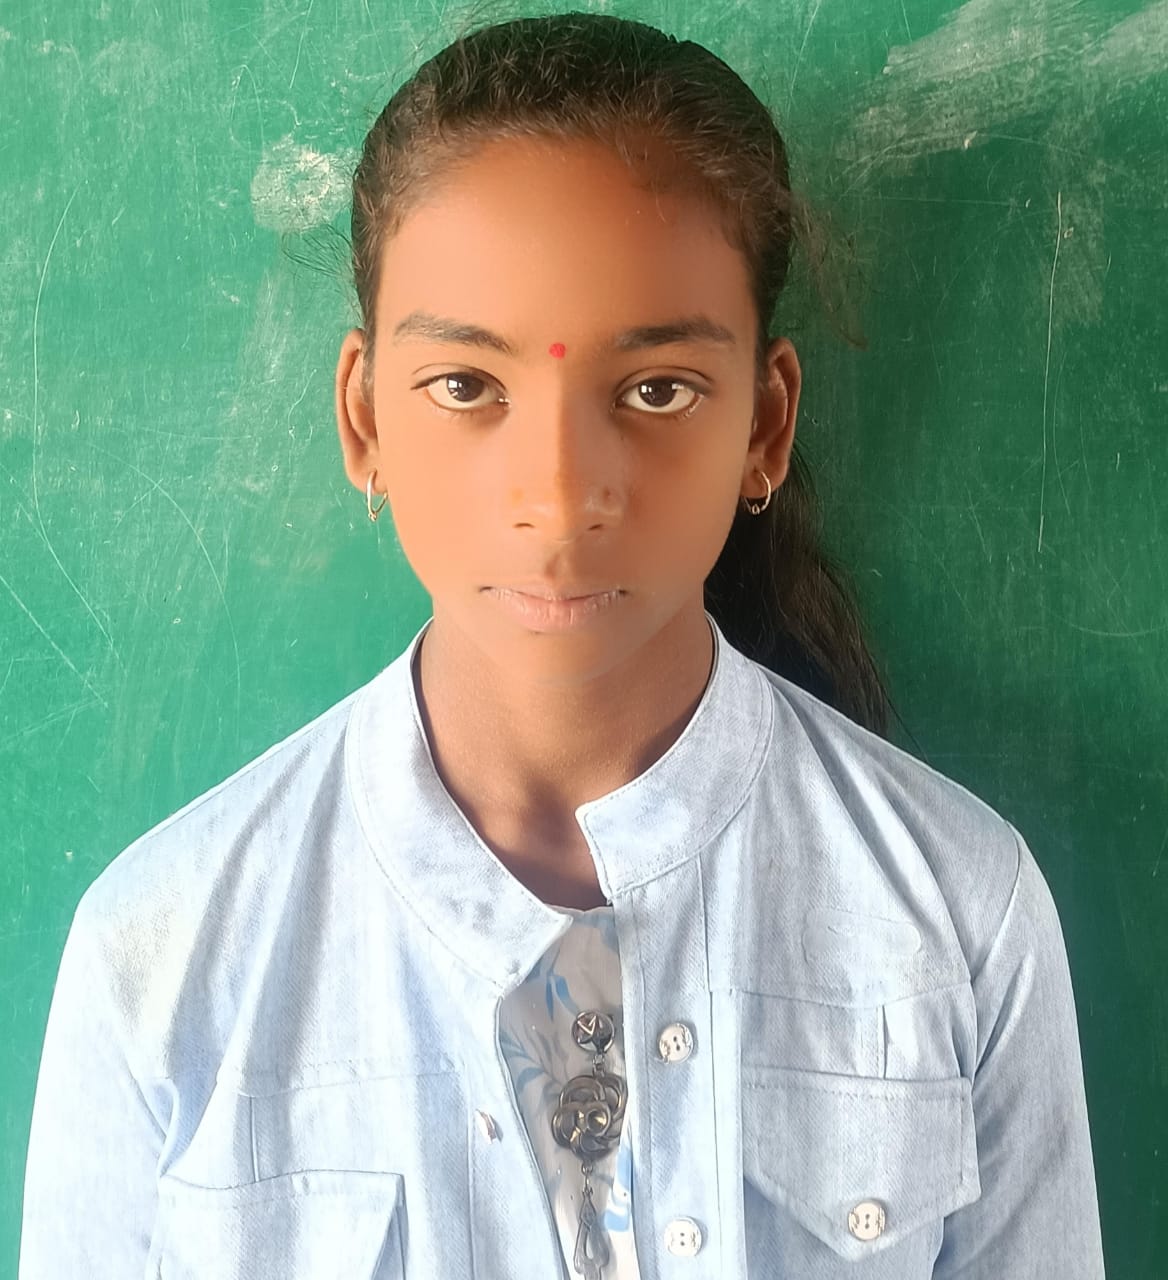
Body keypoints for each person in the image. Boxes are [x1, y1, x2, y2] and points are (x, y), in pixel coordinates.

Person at [19, 10, 1105, 1279]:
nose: (556, 492)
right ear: (365, 419)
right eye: (466, 386)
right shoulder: (164, 950)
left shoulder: (955, 914)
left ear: (764, 425)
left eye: (655, 389)